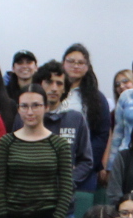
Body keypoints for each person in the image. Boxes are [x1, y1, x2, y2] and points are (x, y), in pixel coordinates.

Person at [0, 86, 74, 218]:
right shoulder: (7, 142)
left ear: (46, 107)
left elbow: (66, 188)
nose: (30, 111)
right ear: (18, 109)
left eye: (36, 105)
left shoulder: (59, 144)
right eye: (24, 106)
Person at [31, 64, 97, 192]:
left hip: (64, 197)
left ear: (65, 88)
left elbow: (86, 161)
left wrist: (67, 181)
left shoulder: (76, 119)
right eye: (49, 82)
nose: (54, 88)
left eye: (59, 84)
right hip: (33, 193)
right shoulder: (26, 117)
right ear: (39, 85)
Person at [59, 44, 115, 191]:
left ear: (87, 67)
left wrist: (84, 165)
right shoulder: (51, 93)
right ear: (63, 63)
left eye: (81, 63)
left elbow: (101, 135)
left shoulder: (97, 98)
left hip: (85, 170)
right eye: (71, 61)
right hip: (52, 167)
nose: (75, 66)